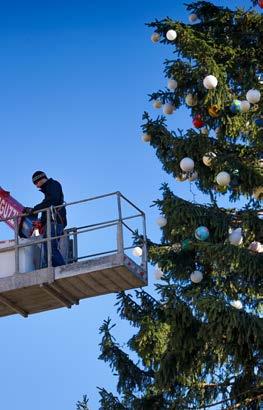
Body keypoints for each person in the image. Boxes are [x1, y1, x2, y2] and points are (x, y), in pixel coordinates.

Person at [24, 171, 67, 267]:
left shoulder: (54, 185)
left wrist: (34, 209)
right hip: (52, 222)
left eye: (36, 183)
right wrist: (41, 222)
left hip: (55, 222)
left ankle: (63, 268)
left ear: (41, 179)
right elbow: (47, 207)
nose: (36, 186)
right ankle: (53, 268)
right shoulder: (49, 191)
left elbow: (52, 200)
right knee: (48, 247)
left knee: (50, 247)